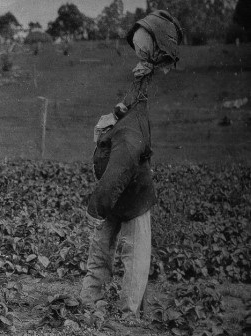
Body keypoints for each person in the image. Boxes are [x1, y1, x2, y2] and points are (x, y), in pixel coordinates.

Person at [81, 10, 182, 316]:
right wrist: (119, 107)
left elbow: (117, 173)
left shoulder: (127, 135)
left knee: (134, 256)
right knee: (101, 250)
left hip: (133, 194)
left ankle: (127, 312)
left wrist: (95, 210)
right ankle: (90, 300)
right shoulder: (126, 116)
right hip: (116, 195)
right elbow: (132, 101)